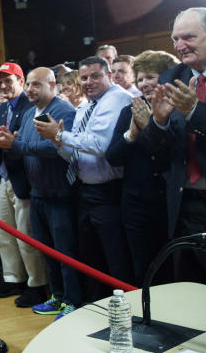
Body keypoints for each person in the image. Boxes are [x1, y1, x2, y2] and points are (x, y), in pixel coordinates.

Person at [35, 56, 134, 305]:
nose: (89, 82)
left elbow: (100, 146)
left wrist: (59, 134)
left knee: (116, 258)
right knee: (90, 258)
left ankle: (127, 311)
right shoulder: (84, 106)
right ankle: (96, 309)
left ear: (109, 75)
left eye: (95, 76)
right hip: (85, 190)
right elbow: (75, 152)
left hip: (110, 192)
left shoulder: (117, 98)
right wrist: (58, 141)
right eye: (85, 77)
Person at [140, 7, 206, 287]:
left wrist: (194, 111)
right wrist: (159, 123)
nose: (179, 46)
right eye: (175, 39)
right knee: (189, 284)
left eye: (189, 37)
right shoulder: (170, 77)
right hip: (182, 202)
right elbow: (158, 151)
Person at [0, 68, 80, 317]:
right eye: (28, 84)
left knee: (65, 252)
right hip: (37, 192)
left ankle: (72, 300)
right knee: (47, 250)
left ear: (52, 84)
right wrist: (6, 139)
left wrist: (15, 144)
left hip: (60, 192)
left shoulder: (63, 111)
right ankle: (57, 296)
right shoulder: (29, 113)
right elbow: (23, 148)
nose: (29, 89)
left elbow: (54, 148)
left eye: (36, 85)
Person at [105, 50, 178, 283]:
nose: (145, 83)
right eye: (141, 78)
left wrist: (151, 126)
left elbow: (172, 156)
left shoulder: (178, 110)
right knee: (142, 266)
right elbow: (113, 156)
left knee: (173, 267)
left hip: (170, 202)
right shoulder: (130, 109)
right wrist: (132, 134)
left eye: (151, 77)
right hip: (136, 203)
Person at [0, 63, 46, 306]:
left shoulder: (32, 107)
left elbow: (28, 143)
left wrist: (4, 140)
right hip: (4, 177)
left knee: (25, 236)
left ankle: (37, 284)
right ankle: (13, 279)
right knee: (5, 233)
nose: (3, 86)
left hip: (24, 179)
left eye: (9, 81)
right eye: (0, 82)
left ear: (21, 82)